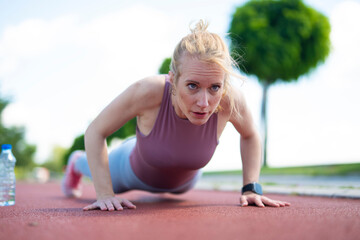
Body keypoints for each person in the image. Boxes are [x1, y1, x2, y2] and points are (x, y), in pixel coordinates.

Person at [62, 20, 290, 211]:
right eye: (192, 86)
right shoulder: (147, 91)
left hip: (184, 185)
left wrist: (251, 187)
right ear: (172, 78)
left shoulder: (230, 99)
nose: (204, 102)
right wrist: (103, 193)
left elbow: (250, 135)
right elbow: (96, 131)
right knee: (93, 168)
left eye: (214, 87)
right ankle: (76, 162)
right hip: (130, 172)